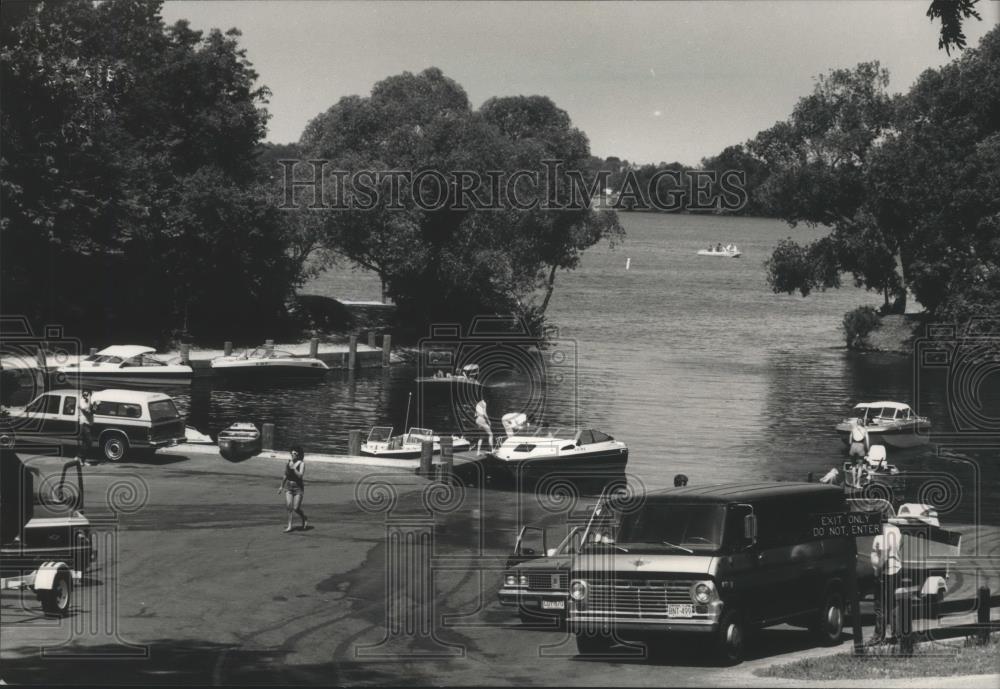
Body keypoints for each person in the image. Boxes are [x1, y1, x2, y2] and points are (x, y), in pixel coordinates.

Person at [869, 518, 902, 645]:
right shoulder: (896, 530)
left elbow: (884, 555)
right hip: (896, 570)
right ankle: (896, 635)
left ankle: (879, 636)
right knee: (894, 605)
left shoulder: (883, 533)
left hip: (885, 572)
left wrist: (878, 572)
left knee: (880, 606)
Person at [278, 445, 308, 533]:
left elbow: (300, 475)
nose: (292, 454)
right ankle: (289, 526)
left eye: (294, 453)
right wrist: (281, 486)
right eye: (291, 452)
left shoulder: (301, 464)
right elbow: (285, 475)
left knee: (296, 508)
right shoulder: (288, 463)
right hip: (289, 487)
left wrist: (294, 469)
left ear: (298, 454)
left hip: (298, 487)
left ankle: (304, 518)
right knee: (289, 506)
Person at [77, 390, 94, 465]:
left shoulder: (89, 401)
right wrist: (94, 408)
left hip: (89, 424)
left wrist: (97, 406)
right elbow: (87, 412)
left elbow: (93, 411)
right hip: (84, 424)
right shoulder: (82, 401)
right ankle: (79, 457)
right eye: (85, 394)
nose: (86, 395)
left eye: (88, 394)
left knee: (85, 442)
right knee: (89, 441)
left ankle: (82, 459)